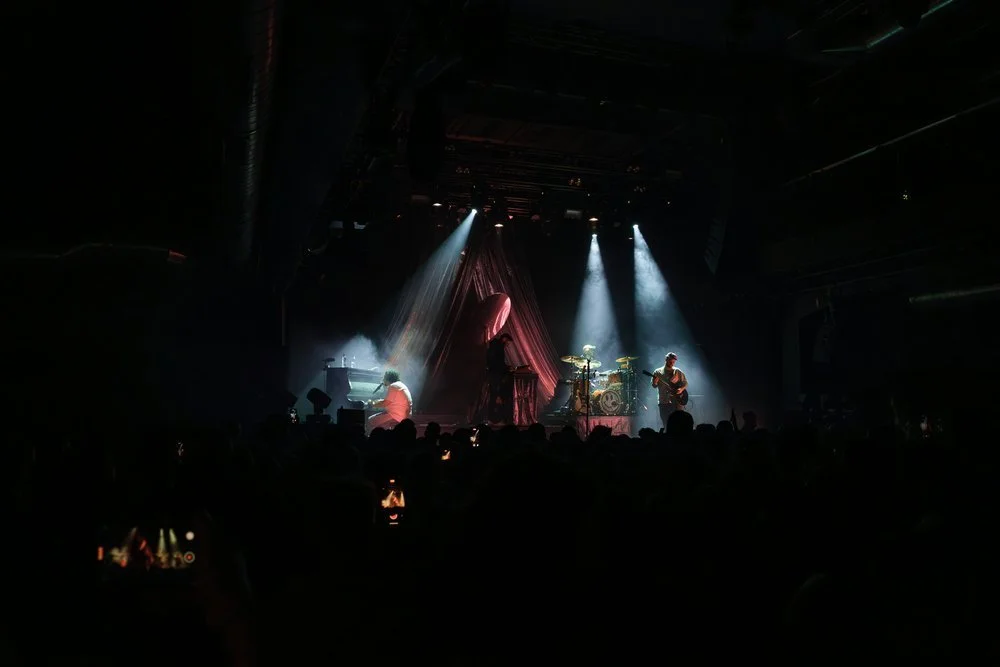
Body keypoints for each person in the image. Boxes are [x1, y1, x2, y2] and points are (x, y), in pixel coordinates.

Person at [651, 352, 688, 430]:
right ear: (666, 359)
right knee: (666, 423)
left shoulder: (677, 371)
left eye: (674, 361)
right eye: (670, 361)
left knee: (679, 423)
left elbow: (685, 383)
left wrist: (681, 389)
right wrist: (655, 382)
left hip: (677, 402)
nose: (672, 363)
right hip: (664, 401)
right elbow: (654, 386)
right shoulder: (657, 372)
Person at [486, 332, 514, 423]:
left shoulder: (497, 346)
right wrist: (506, 368)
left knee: (495, 395)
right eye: (508, 342)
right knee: (495, 395)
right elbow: (496, 361)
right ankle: (493, 418)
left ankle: (494, 417)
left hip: (496, 373)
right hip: (495, 374)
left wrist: (506, 367)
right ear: (504, 339)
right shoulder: (497, 346)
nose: (508, 344)